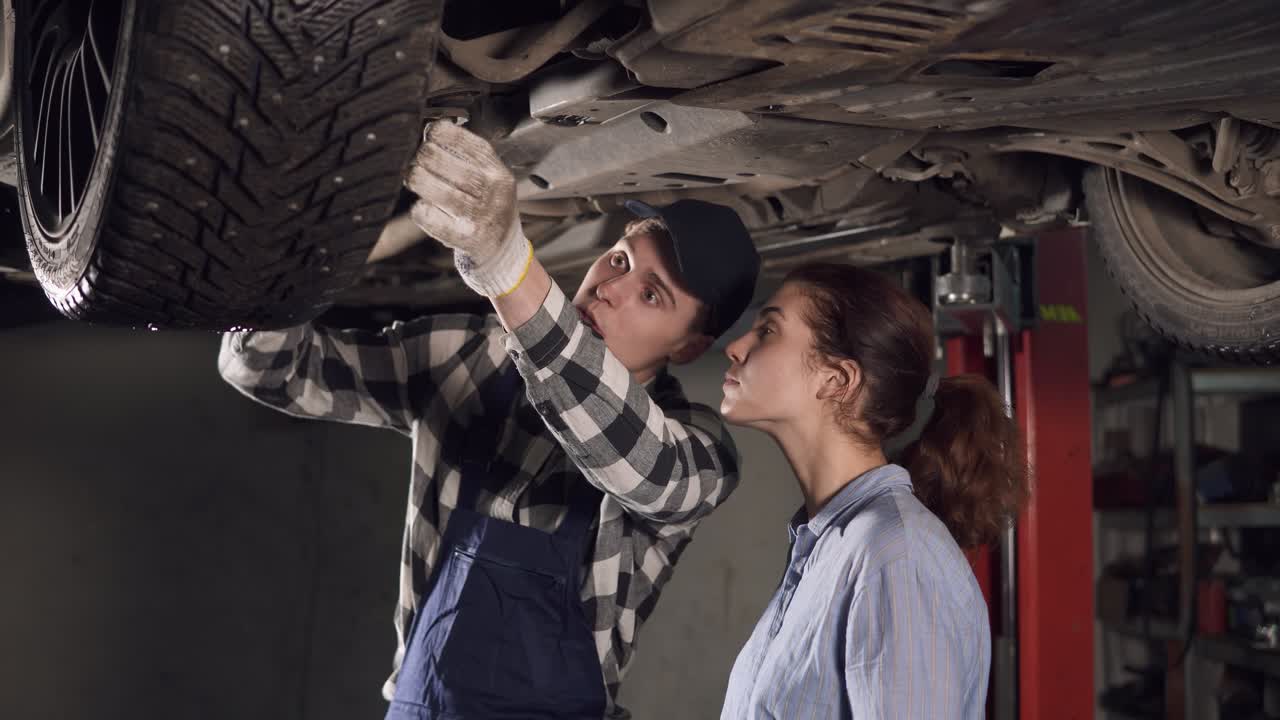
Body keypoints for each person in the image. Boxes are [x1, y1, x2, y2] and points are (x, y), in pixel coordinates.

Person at [218, 122, 761, 719]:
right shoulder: (468, 356)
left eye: (652, 295)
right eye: (619, 259)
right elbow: (269, 368)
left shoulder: (698, 450)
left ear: (688, 347)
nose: (610, 289)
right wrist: (304, 245)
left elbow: (641, 464)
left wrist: (509, 267)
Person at [718, 262, 1031, 719]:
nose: (735, 347)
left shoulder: (892, 554)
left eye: (768, 330)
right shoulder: (832, 547)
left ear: (837, 380)